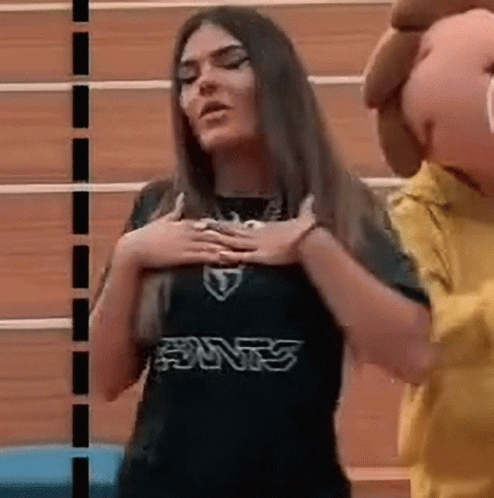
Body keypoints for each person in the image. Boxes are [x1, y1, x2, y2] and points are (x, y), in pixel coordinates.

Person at [90, 6, 440, 498]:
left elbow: (415, 355)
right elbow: (102, 380)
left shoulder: (339, 204)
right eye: (187, 78)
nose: (205, 84)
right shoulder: (159, 206)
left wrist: (313, 248)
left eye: (231, 62)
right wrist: (130, 256)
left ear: (277, 81)